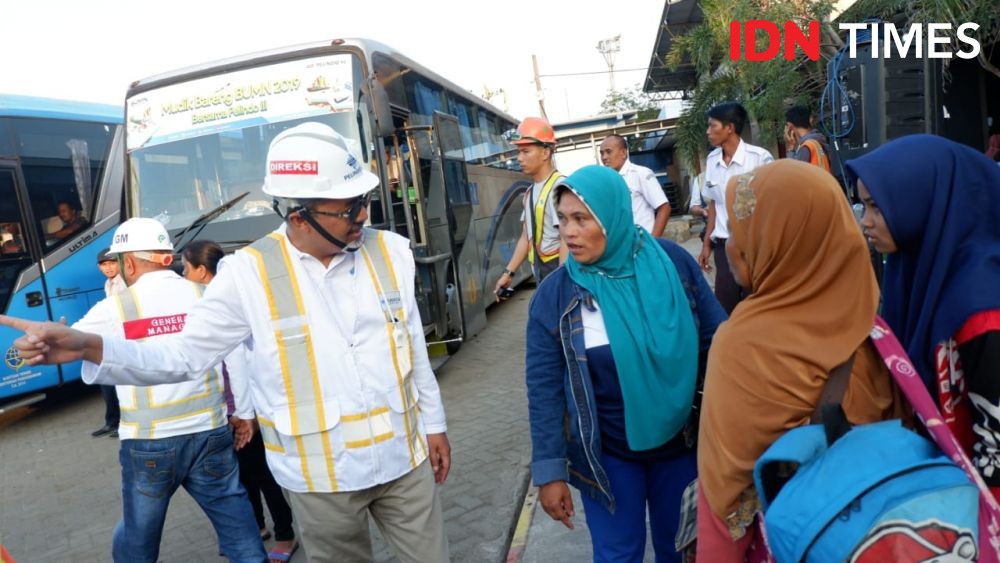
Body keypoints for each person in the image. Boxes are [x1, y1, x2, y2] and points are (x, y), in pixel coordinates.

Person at [1, 123, 451, 563]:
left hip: (404, 458)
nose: (362, 217)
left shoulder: (391, 251)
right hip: (321, 477)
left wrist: (434, 424)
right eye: (349, 207)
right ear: (298, 215)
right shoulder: (247, 273)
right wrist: (89, 345)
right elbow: (182, 356)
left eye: (363, 202)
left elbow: (410, 345)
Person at [695, 160, 907, 561]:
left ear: (783, 241)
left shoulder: (745, 346)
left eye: (744, 230)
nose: (733, 246)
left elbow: (724, 499)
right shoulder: (874, 327)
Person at [525, 165, 726, 562]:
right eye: (563, 219)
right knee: (618, 554)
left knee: (684, 550)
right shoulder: (555, 295)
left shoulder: (671, 263)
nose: (568, 232)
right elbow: (543, 389)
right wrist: (549, 472)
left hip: (681, 446)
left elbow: (719, 344)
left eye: (582, 219)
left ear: (612, 216)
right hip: (608, 457)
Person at [70, 218, 265, 562]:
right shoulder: (203, 294)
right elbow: (236, 355)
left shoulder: (116, 308)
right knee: (239, 529)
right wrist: (244, 413)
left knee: (139, 538)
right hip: (210, 433)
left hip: (149, 444)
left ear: (128, 263)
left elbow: (75, 344)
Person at [847, 134, 1000, 500]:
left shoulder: (981, 302)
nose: (865, 222)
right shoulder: (915, 267)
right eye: (862, 207)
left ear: (921, 202)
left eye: (876, 207)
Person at [181, 239, 298, 562]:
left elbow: (238, 366)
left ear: (202, 270)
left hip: (245, 407)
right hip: (230, 408)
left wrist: (246, 414)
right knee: (243, 473)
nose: (183, 274)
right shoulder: (207, 298)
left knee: (262, 473)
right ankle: (258, 526)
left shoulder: (224, 302)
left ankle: (286, 534)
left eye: (185, 268)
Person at [698, 102, 773, 314]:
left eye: (713, 126)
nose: (708, 131)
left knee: (758, 306)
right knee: (725, 307)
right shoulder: (712, 161)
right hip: (723, 246)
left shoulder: (759, 158)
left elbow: (771, 204)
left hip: (754, 247)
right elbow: (714, 203)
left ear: (729, 127)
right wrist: (706, 243)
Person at [494, 116, 567, 298]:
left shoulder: (560, 188)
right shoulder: (530, 193)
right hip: (543, 276)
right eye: (518, 152)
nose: (519, 158)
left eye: (525, 151)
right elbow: (526, 238)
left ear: (545, 153)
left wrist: (563, 281)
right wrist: (508, 273)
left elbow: (568, 239)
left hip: (558, 276)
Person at [599, 134, 671, 237]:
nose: (604, 157)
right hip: (622, 246)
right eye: (601, 153)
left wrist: (653, 242)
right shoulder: (607, 181)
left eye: (608, 152)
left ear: (623, 153)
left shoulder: (640, 173)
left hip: (642, 243)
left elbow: (664, 208)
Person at [90, 247, 125, 438]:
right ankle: (111, 422)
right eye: (104, 264)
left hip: (122, 340)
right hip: (111, 337)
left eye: (112, 263)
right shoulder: (108, 284)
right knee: (105, 380)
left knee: (120, 384)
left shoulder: (125, 283)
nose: (108, 268)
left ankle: (122, 423)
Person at [784, 106, 832, 172]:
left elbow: (793, 173)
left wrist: (790, 149)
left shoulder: (807, 146)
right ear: (810, 120)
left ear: (790, 126)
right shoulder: (819, 140)